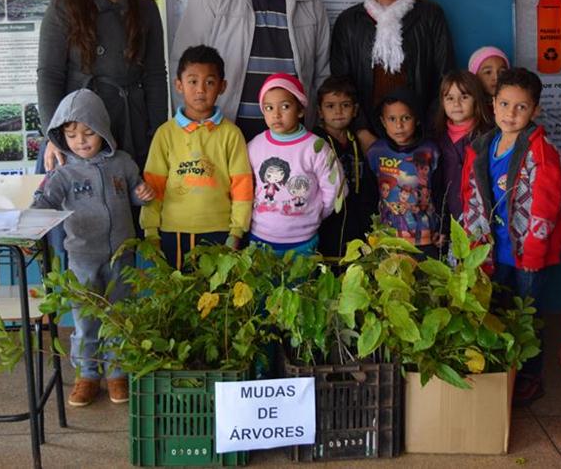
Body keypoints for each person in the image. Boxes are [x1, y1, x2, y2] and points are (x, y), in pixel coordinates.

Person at [31, 88, 155, 407]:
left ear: (103, 130)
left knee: (118, 315)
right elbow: (44, 200)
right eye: (72, 135)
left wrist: (139, 193)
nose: (81, 141)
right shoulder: (63, 171)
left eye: (88, 132)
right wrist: (30, 223)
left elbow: (129, 196)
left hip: (122, 255)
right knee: (85, 319)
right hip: (82, 257)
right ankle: (87, 375)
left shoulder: (122, 163)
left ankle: (117, 373)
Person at [169, 0, 330, 140]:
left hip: (291, 142)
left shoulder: (311, 3)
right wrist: (193, 134)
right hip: (223, 138)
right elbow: (183, 67)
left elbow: (322, 74)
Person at [459, 68, 561, 405]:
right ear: (492, 104)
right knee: (498, 311)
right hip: (492, 252)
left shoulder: (540, 152)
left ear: (534, 110)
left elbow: (546, 209)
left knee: (527, 317)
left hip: (526, 255)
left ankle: (531, 377)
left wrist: (534, 255)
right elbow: (469, 197)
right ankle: (504, 371)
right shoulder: (481, 147)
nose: (511, 113)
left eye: (521, 107)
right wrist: (471, 244)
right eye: (504, 104)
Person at [37, 0, 168, 172]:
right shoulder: (65, 5)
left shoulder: (145, 7)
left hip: (132, 125)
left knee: (132, 204)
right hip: (78, 132)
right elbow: (49, 75)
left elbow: (155, 77)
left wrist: (160, 135)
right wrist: (53, 136)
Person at [331, 0, 456, 149]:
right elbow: (341, 82)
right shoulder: (349, 21)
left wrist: (423, 130)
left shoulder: (430, 16)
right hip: (365, 134)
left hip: (419, 133)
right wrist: (361, 131)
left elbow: (445, 77)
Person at [140, 45, 253, 267]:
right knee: (176, 295)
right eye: (193, 81)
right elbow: (153, 186)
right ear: (179, 85)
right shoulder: (165, 134)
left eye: (209, 82)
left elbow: (242, 187)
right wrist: (151, 231)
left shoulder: (231, 134)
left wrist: (237, 231)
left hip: (220, 233)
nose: (201, 89)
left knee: (216, 298)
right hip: (172, 233)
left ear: (222, 86)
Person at [246, 73, 344, 255]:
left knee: (300, 283)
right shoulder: (254, 146)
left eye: (285, 106)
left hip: (303, 240)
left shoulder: (316, 147)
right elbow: (245, 184)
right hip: (260, 237)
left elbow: (335, 188)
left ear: (300, 110)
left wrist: (315, 214)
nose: (276, 114)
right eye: (268, 108)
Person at [367, 88, 442, 258]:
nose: (399, 125)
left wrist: (443, 228)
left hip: (426, 239)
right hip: (388, 239)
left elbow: (440, 191)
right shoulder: (376, 152)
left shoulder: (431, 151)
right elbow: (369, 195)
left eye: (406, 118)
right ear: (383, 121)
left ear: (416, 120)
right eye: (392, 119)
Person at [312, 75, 379, 260]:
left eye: (345, 105)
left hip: (358, 220)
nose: (338, 111)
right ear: (319, 111)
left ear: (355, 110)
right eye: (330, 106)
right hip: (327, 222)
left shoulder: (358, 140)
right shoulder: (314, 142)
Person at [434, 70, 492, 230]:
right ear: (442, 102)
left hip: (482, 220)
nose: (456, 103)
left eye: (464, 97)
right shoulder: (436, 139)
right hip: (450, 220)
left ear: (476, 100)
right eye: (449, 98)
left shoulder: (488, 137)